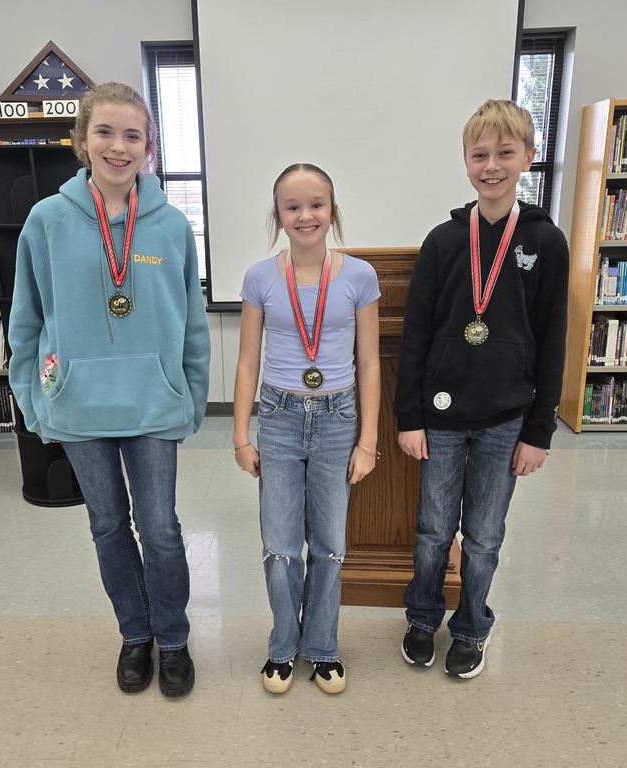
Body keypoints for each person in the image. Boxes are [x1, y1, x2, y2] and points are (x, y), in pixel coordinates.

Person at [7, 82, 211, 698]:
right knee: (107, 528)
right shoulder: (46, 221)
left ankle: (172, 638)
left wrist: (191, 394)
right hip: (77, 408)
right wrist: (35, 402)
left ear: (149, 147)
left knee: (162, 528)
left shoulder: (172, 226)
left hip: (153, 406)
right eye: (106, 133)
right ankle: (134, 634)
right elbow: (26, 322)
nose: (119, 147)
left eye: (133, 136)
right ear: (82, 141)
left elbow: (192, 322)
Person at [394, 99, 569, 679]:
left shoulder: (546, 241)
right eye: (479, 154)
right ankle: (422, 617)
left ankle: (471, 628)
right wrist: (409, 416)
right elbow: (416, 336)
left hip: (506, 420)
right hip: (441, 418)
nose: (491, 165)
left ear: (528, 158)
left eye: (504, 153)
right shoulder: (444, 240)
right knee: (432, 530)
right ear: (466, 162)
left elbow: (551, 341)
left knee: (486, 536)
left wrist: (539, 431)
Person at [233, 163, 381, 695]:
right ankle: (282, 645)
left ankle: (321, 647)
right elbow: (248, 362)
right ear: (278, 215)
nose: (305, 215)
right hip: (277, 416)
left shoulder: (360, 276)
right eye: (292, 206)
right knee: (278, 545)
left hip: (338, 418)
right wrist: (240, 434)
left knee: (329, 544)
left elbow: (370, 363)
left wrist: (368, 442)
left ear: (332, 210)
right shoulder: (259, 277)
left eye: (316, 204)